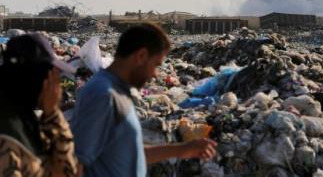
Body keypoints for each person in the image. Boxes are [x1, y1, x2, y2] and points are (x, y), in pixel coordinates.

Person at [70, 23, 216, 176]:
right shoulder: (103, 95)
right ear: (141, 56)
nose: (156, 74)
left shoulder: (118, 92)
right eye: (156, 64)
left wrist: (181, 149)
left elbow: (129, 153)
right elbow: (75, 163)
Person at [0, 33, 78, 176]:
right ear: (35, 77)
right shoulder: (8, 133)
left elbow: (65, 171)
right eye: (51, 76)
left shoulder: (26, 120)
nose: (56, 84)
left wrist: (53, 114)